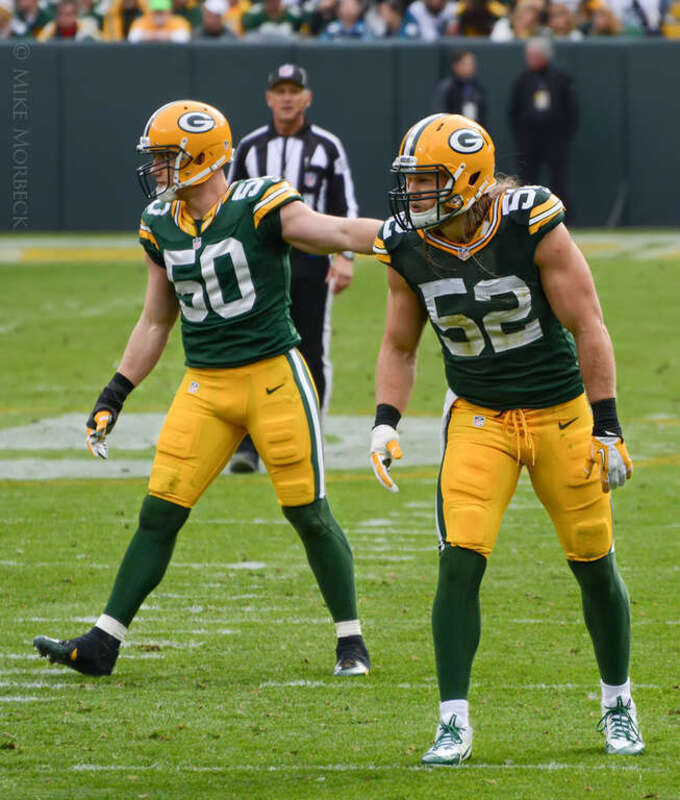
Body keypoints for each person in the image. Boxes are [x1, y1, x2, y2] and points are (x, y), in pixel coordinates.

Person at [33, 99, 380, 680]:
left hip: (273, 378)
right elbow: (155, 320)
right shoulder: (160, 222)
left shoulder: (259, 203)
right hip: (206, 386)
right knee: (158, 513)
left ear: (201, 156)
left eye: (166, 157)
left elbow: (336, 230)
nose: (156, 169)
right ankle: (103, 642)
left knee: (309, 514)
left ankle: (351, 641)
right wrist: (115, 392)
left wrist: (402, 235)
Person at [370, 113, 645, 763]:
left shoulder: (529, 222)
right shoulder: (405, 245)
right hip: (479, 417)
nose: (414, 195)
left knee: (594, 562)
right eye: (411, 181)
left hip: (560, 413)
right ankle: (452, 721)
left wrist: (607, 425)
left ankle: (618, 702)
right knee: (459, 560)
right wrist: (385, 419)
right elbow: (399, 345)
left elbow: (589, 323)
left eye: (427, 181)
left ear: (467, 180)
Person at [227, 64, 359, 473]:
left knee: (310, 348)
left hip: (311, 260)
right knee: (253, 346)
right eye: (280, 91)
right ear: (269, 98)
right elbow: (229, 204)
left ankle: (309, 436)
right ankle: (248, 445)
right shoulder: (250, 147)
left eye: (293, 91)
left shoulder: (327, 146)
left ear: (307, 97)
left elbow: (344, 202)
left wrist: (345, 256)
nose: (287, 98)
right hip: (259, 261)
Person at [509, 36, 578, 213]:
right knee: (526, 180)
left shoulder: (561, 79)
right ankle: (525, 216)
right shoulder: (523, 80)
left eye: (533, 56)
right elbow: (514, 111)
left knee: (560, 181)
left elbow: (571, 110)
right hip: (529, 141)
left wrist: (563, 136)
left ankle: (562, 217)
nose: (529, 60)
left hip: (555, 141)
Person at [430, 50, 487, 127]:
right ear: (455, 66)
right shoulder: (446, 88)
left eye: (471, 64)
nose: (469, 67)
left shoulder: (478, 88)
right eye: (465, 64)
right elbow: (439, 115)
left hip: (474, 129)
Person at [127, 0, 192, 40]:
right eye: (156, 12)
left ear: (169, 11)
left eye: (162, 12)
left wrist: (165, 35)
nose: (159, 15)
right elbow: (133, 37)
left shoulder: (178, 21)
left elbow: (184, 37)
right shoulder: (141, 22)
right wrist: (155, 35)